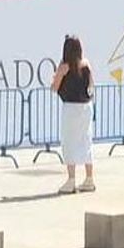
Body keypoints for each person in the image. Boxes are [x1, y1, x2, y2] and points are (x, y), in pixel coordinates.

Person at [52, 35, 95, 194]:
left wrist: (60, 76)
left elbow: (55, 87)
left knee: (69, 141)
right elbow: (91, 84)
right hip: (86, 105)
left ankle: (71, 180)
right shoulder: (86, 64)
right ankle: (89, 178)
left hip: (71, 107)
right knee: (86, 140)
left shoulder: (64, 66)